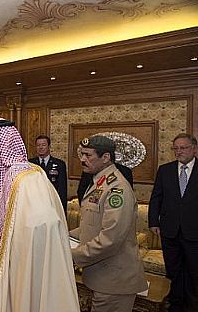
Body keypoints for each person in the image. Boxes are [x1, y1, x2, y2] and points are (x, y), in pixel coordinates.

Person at [0, 118, 79, 312]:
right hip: (2, 277)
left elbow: (32, 239)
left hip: (19, 282)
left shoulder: (28, 182)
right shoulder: (6, 178)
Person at [71, 135, 147, 312]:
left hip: (114, 280)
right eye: (82, 154)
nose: (82, 159)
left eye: (88, 155)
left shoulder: (117, 188)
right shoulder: (101, 182)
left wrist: (71, 256)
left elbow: (110, 239)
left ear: (105, 158)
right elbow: (92, 224)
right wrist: (63, 236)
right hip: (102, 277)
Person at [148, 133, 198, 312]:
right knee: (174, 271)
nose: (178, 152)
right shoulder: (165, 170)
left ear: (194, 148)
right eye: (175, 148)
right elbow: (156, 198)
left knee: (194, 272)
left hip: (194, 232)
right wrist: (153, 221)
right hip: (169, 232)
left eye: (183, 148)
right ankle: (175, 305)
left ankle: (192, 306)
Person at [29, 134, 67, 214]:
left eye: (43, 145)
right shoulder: (30, 164)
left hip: (52, 203)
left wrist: (62, 210)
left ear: (49, 147)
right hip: (34, 204)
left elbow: (62, 189)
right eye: (38, 145)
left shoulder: (59, 164)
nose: (41, 147)